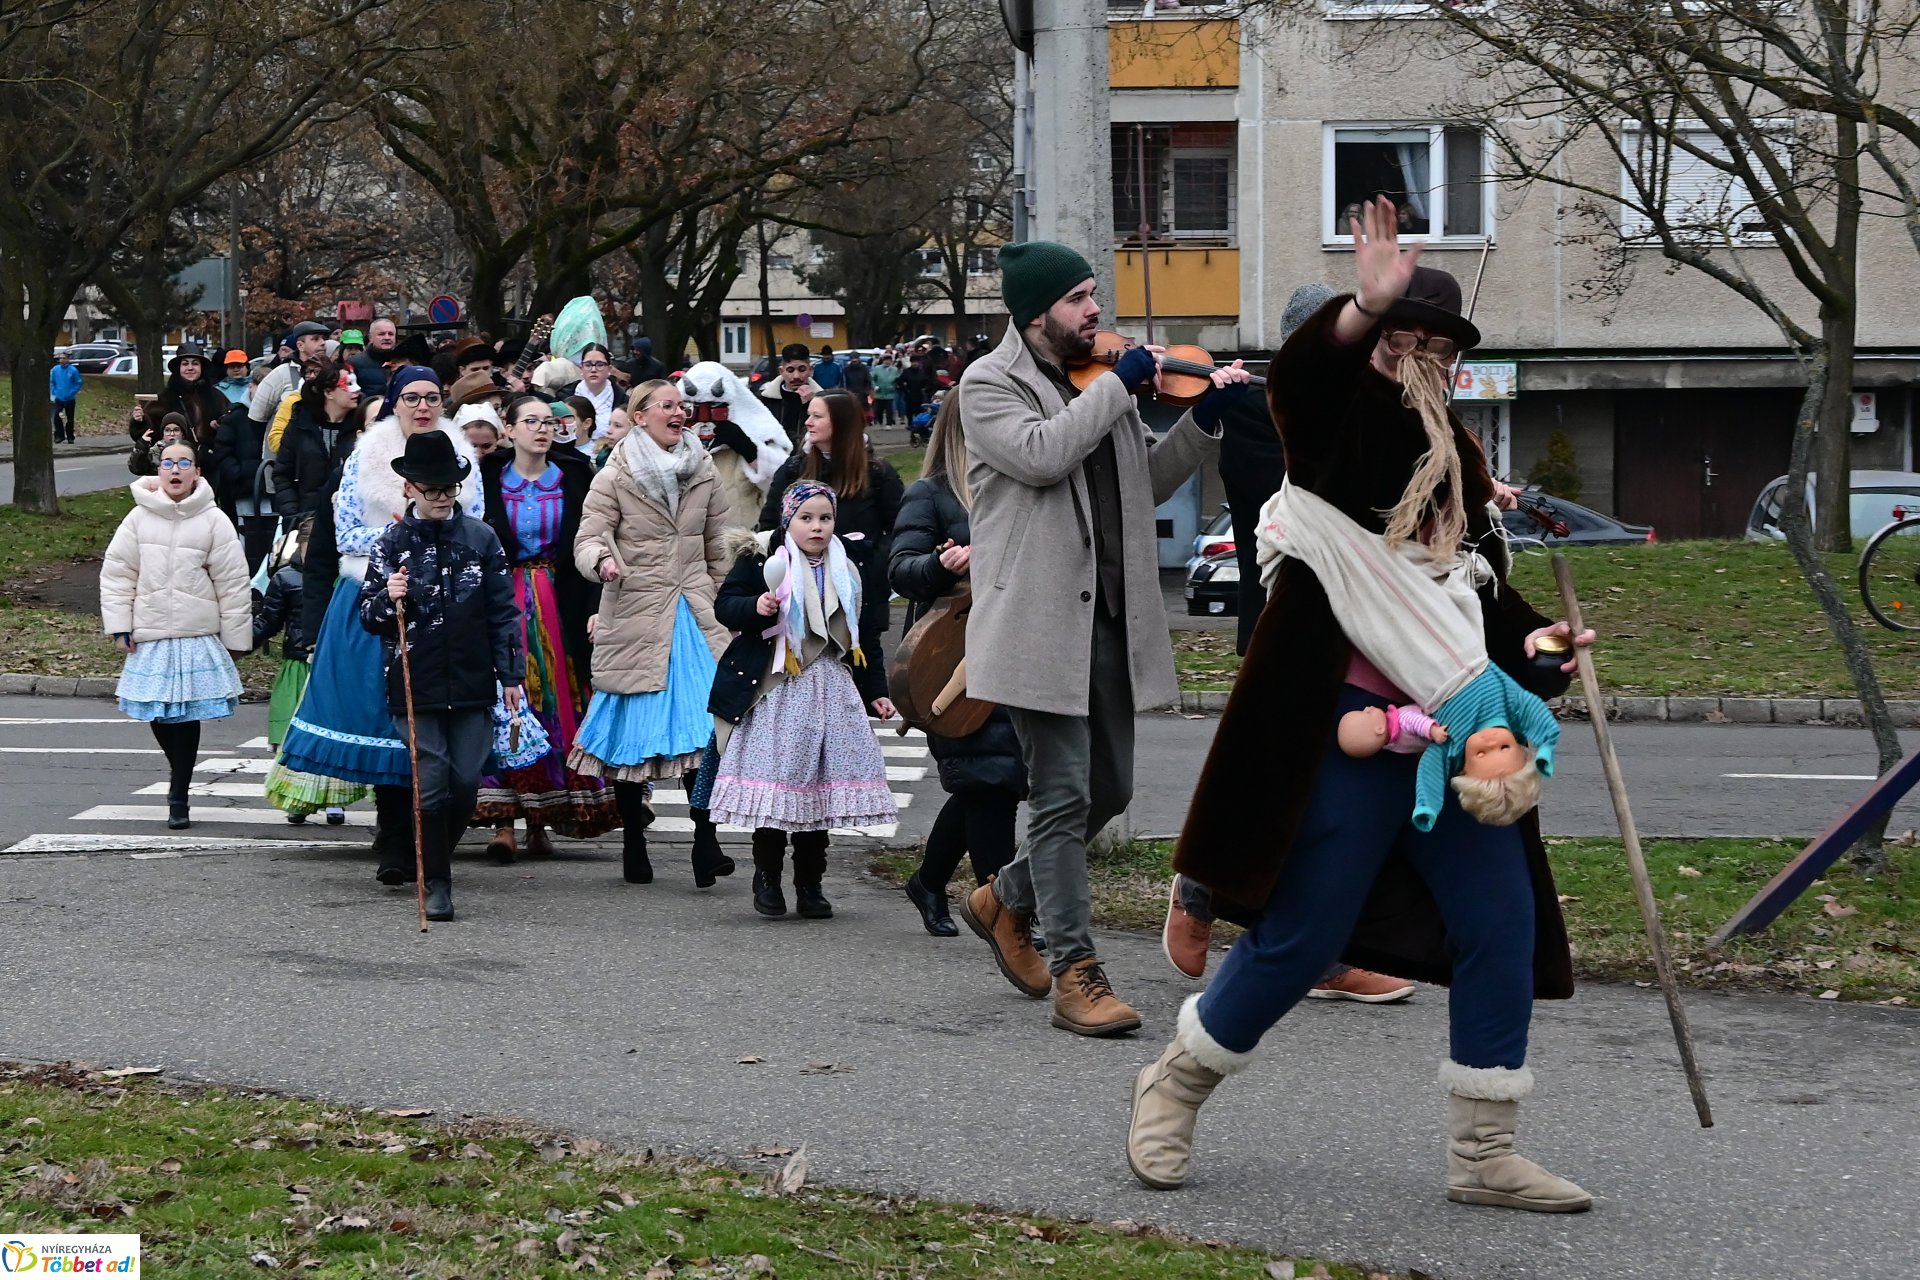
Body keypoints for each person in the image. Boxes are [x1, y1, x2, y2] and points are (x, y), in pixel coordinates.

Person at [1124, 199, 1595, 1211]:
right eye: (1402, 338)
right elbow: (1303, 380)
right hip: (1342, 728)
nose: (1417, 357)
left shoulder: (1457, 459)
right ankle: (1173, 1086)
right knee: (1304, 935)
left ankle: (1483, 1155)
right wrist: (1360, 310)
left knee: (1500, 923)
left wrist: (1548, 649)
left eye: (1436, 346)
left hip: (1455, 730)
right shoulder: (1332, 425)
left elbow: (1474, 597)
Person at [952, 240, 1236, 1038]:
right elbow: (1041, 456)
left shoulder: (1093, 383)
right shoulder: (989, 384)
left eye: (1092, 295)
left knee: (1108, 791)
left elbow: (1147, 480)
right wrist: (1119, 386)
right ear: (1035, 312)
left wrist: (1205, 420)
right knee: (1062, 795)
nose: (1094, 310)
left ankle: (1005, 897)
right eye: (1077, 297)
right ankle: (1076, 971)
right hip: (1037, 626)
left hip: (1107, 619)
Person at [1158, 282, 1415, 1005]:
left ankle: (1321, 950)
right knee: (1276, 784)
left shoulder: (1375, 411)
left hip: (1365, 631)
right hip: (1287, 628)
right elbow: (1287, 499)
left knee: (1330, 798)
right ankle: (1200, 889)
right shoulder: (1256, 409)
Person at [267, 367, 484, 868]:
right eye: (411, 397)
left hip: (445, 601)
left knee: (435, 720)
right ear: (394, 402)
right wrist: (406, 532)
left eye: (432, 397)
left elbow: (476, 527)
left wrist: (425, 531)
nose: (423, 407)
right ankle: (392, 833)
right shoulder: (365, 455)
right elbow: (344, 535)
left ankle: (425, 837)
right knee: (383, 719)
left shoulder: (462, 456)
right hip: (372, 596)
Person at [569, 378, 736, 886]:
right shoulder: (614, 474)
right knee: (632, 738)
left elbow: (719, 543)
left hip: (696, 613)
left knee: (705, 730)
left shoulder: (704, 469)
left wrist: (730, 601)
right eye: (667, 405)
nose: (678, 412)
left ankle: (705, 841)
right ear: (640, 416)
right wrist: (602, 561)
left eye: (681, 405)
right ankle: (633, 842)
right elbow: (588, 538)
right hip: (637, 612)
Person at [708, 481, 897, 919]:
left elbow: (865, 635)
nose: (817, 527)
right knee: (778, 792)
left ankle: (810, 884)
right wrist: (756, 606)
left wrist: (876, 691)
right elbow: (726, 605)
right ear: (787, 520)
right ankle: (767, 878)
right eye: (806, 518)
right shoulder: (762, 557)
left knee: (819, 794)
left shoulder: (848, 568)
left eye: (825, 518)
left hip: (831, 689)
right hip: (777, 689)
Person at [359, 431, 526, 923]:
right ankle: (437, 880)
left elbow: (503, 611)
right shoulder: (391, 544)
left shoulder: (481, 538)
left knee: (466, 782)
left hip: (472, 678)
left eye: (449, 488)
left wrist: (510, 675)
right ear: (409, 488)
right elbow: (367, 616)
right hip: (415, 680)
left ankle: (431, 854)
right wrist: (388, 597)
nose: (441, 497)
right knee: (430, 781)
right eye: (431, 489)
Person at [888, 390, 1028, 936]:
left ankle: (930, 881)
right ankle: (1006, 913)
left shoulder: (1017, 483)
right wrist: (941, 565)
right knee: (989, 778)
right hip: (952, 658)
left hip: (1015, 645)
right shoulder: (931, 492)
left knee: (990, 780)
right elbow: (901, 570)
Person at [473, 395, 618, 857]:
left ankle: (542, 818)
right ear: (509, 429)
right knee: (507, 701)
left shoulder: (574, 478)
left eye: (549, 422)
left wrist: (596, 602)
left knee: (554, 700)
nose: (542, 429)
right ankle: (504, 820)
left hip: (559, 600)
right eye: (531, 421)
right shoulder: (487, 479)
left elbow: (595, 540)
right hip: (505, 597)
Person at [99, 442, 251, 831]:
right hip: (150, 634)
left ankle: (178, 793)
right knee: (158, 713)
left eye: (184, 462)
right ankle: (177, 770)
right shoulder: (138, 517)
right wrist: (120, 625)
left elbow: (233, 582)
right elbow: (118, 574)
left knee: (186, 716)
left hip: (195, 633)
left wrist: (236, 638)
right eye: (168, 463)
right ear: (159, 471)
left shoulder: (214, 520)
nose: (175, 469)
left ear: (197, 472)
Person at [756, 388, 904, 683]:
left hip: (859, 598)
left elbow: (900, 529)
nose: (807, 422)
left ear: (841, 423)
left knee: (862, 676)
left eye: (816, 416)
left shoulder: (876, 474)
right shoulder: (795, 469)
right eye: (808, 414)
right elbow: (769, 525)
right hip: (801, 596)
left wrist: (870, 565)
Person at [272, 359, 363, 524]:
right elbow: (282, 474)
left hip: (351, 520)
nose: (357, 389)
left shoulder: (362, 425)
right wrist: (292, 514)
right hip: (306, 518)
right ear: (329, 393)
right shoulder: (300, 425)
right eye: (348, 384)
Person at [130, 342, 230, 452]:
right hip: (176, 457)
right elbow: (149, 433)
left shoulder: (216, 396)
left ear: (202, 367)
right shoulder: (165, 398)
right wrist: (140, 421)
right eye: (185, 364)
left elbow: (230, 424)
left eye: (195, 364)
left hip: (211, 457)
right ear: (178, 368)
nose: (190, 368)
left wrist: (220, 425)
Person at [251, 321, 331, 438]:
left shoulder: (332, 373)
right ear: (300, 346)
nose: (323, 343)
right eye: (315, 339)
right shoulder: (280, 374)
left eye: (324, 339)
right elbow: (256, 418)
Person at [759, 344, 818, 445]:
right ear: (781, 371)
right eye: (790, 370)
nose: (796, 376)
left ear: (810, 370)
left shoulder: (822, 401)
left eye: (802, 369)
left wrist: (810, 404)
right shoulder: (765, 400)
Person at [351, 318, 398, 401]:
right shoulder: (355, 363)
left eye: (391, 334)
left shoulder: (404, 362)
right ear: (370, 337)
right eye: (381, 334)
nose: (387, 337)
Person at [573, 343, 618, 429]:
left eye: (600, 365)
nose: (593, 370)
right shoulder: (565, 396)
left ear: (609, 369)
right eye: (588, 365)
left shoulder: (622, 400)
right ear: (581, 368)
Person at [50, 351, 82, 444]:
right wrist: (54, 392)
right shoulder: (55, 370)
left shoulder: (73, 370)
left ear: (68, 359)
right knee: (56, 416)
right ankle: (59, 435)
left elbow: (78, 383)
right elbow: (52, 382)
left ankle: (70, 436)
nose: (61, 360)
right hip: (59, 397)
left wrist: (72, 392)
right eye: (60, 358)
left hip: (70, 398)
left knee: (70, 418)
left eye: (64, 358)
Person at [870, 354, 900, 427]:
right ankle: (880, 421)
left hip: (890, 392)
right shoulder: (877, 368)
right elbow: (872, 379)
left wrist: (894, 386)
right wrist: (875, 386)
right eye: (886, 360)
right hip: (879, 392)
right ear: (883, 361)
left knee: (889, 408)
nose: (887, 362)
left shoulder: (895, 369)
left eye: (889, 360)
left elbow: (898, 379)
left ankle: (888, 424)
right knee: (879, 409)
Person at [841, 351, 872, 417]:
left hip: (862, 395)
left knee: (863, 413)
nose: (854, 360)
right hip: (850, 394)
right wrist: (846, 392)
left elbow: (868, 381)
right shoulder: (846, 369)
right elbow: (844, 382)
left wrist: (865, 392)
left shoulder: (864, 368)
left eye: (855, 358)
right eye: (852, 358)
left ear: (858, 358)